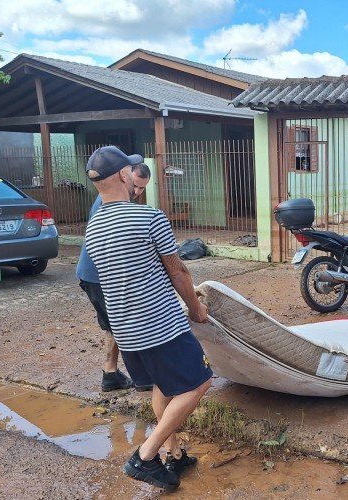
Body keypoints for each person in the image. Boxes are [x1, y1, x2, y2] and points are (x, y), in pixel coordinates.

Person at [84, 146, 212, 491]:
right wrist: (196, 308)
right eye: (130, 170)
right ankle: (146, 455)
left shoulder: (93, 228)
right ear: (124, 176)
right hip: (161, 326)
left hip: (126, 332)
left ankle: (173, 456)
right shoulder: (148, 217)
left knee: (163, 386)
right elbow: (177, 268)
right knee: (201, 382)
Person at [77, 163, 152, 392]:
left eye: (143, 189)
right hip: (99, 274)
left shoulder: (116, 200)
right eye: (136, 186)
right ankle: (143, 378)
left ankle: (111, 374)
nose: (138, 193)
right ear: (125, 178)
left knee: (115, 324)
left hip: (96, 274)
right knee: (125, 322)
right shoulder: (109, 203)